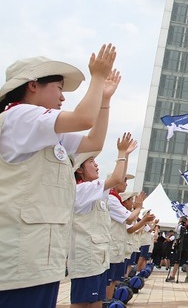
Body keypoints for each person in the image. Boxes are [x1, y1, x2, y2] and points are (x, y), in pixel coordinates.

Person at [0, 45, 117, 308]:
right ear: (33, 85)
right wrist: (97, 78)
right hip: (21, 257)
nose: (62, 98)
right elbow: (84, 119)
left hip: (36, 256)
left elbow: (93, 141)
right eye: (59, 88)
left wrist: (105, 101)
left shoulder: (42, 129)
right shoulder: (20, 115)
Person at [68, 132, 137, 308]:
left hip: (97, 257)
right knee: (82, 303)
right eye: (91, 162)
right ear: (79, 170)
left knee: (98, 302)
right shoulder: (82, 190)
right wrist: (121, 154)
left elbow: (117, 180)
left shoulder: (93, 190)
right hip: (86, 257)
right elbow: (115, 179)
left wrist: (126, 156)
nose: (96, 165)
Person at [166, 216, 188, 283]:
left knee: (187, 262)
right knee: (177, 261)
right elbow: (176, 230)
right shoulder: (180, 227)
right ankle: (172, 276)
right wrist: (179, 223)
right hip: (181, 246)